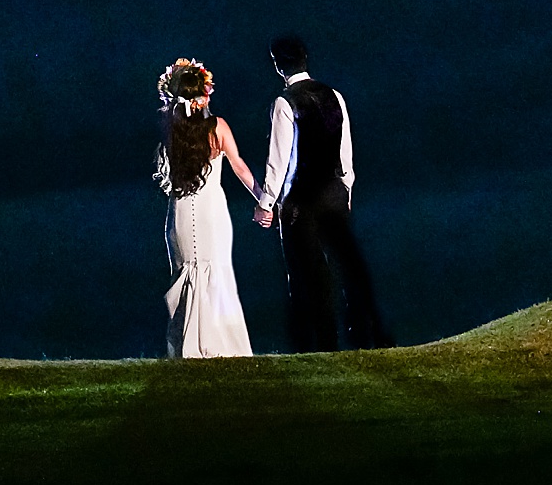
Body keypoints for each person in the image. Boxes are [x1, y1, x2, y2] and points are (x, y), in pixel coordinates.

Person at [252, 33, 389, 349]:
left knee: (307, 275)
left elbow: (279, 159)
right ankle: (361, 334)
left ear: (278, 66)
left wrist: (267, 202)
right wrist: (346, 192)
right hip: (335, 193)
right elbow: (346, 154)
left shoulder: (285, 103)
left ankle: (319, 342)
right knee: (347, 267)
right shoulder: (335, 96)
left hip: (302, 201)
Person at [153, 57, 255, 357]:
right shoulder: (217, 127)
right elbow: (238, 165)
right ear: (204, 94)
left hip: (180, 213)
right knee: (215, 273)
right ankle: (220, 344)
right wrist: (263, 199)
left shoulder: (171, 131)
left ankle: (185, 347)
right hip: (212, 212)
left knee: (186, 271)